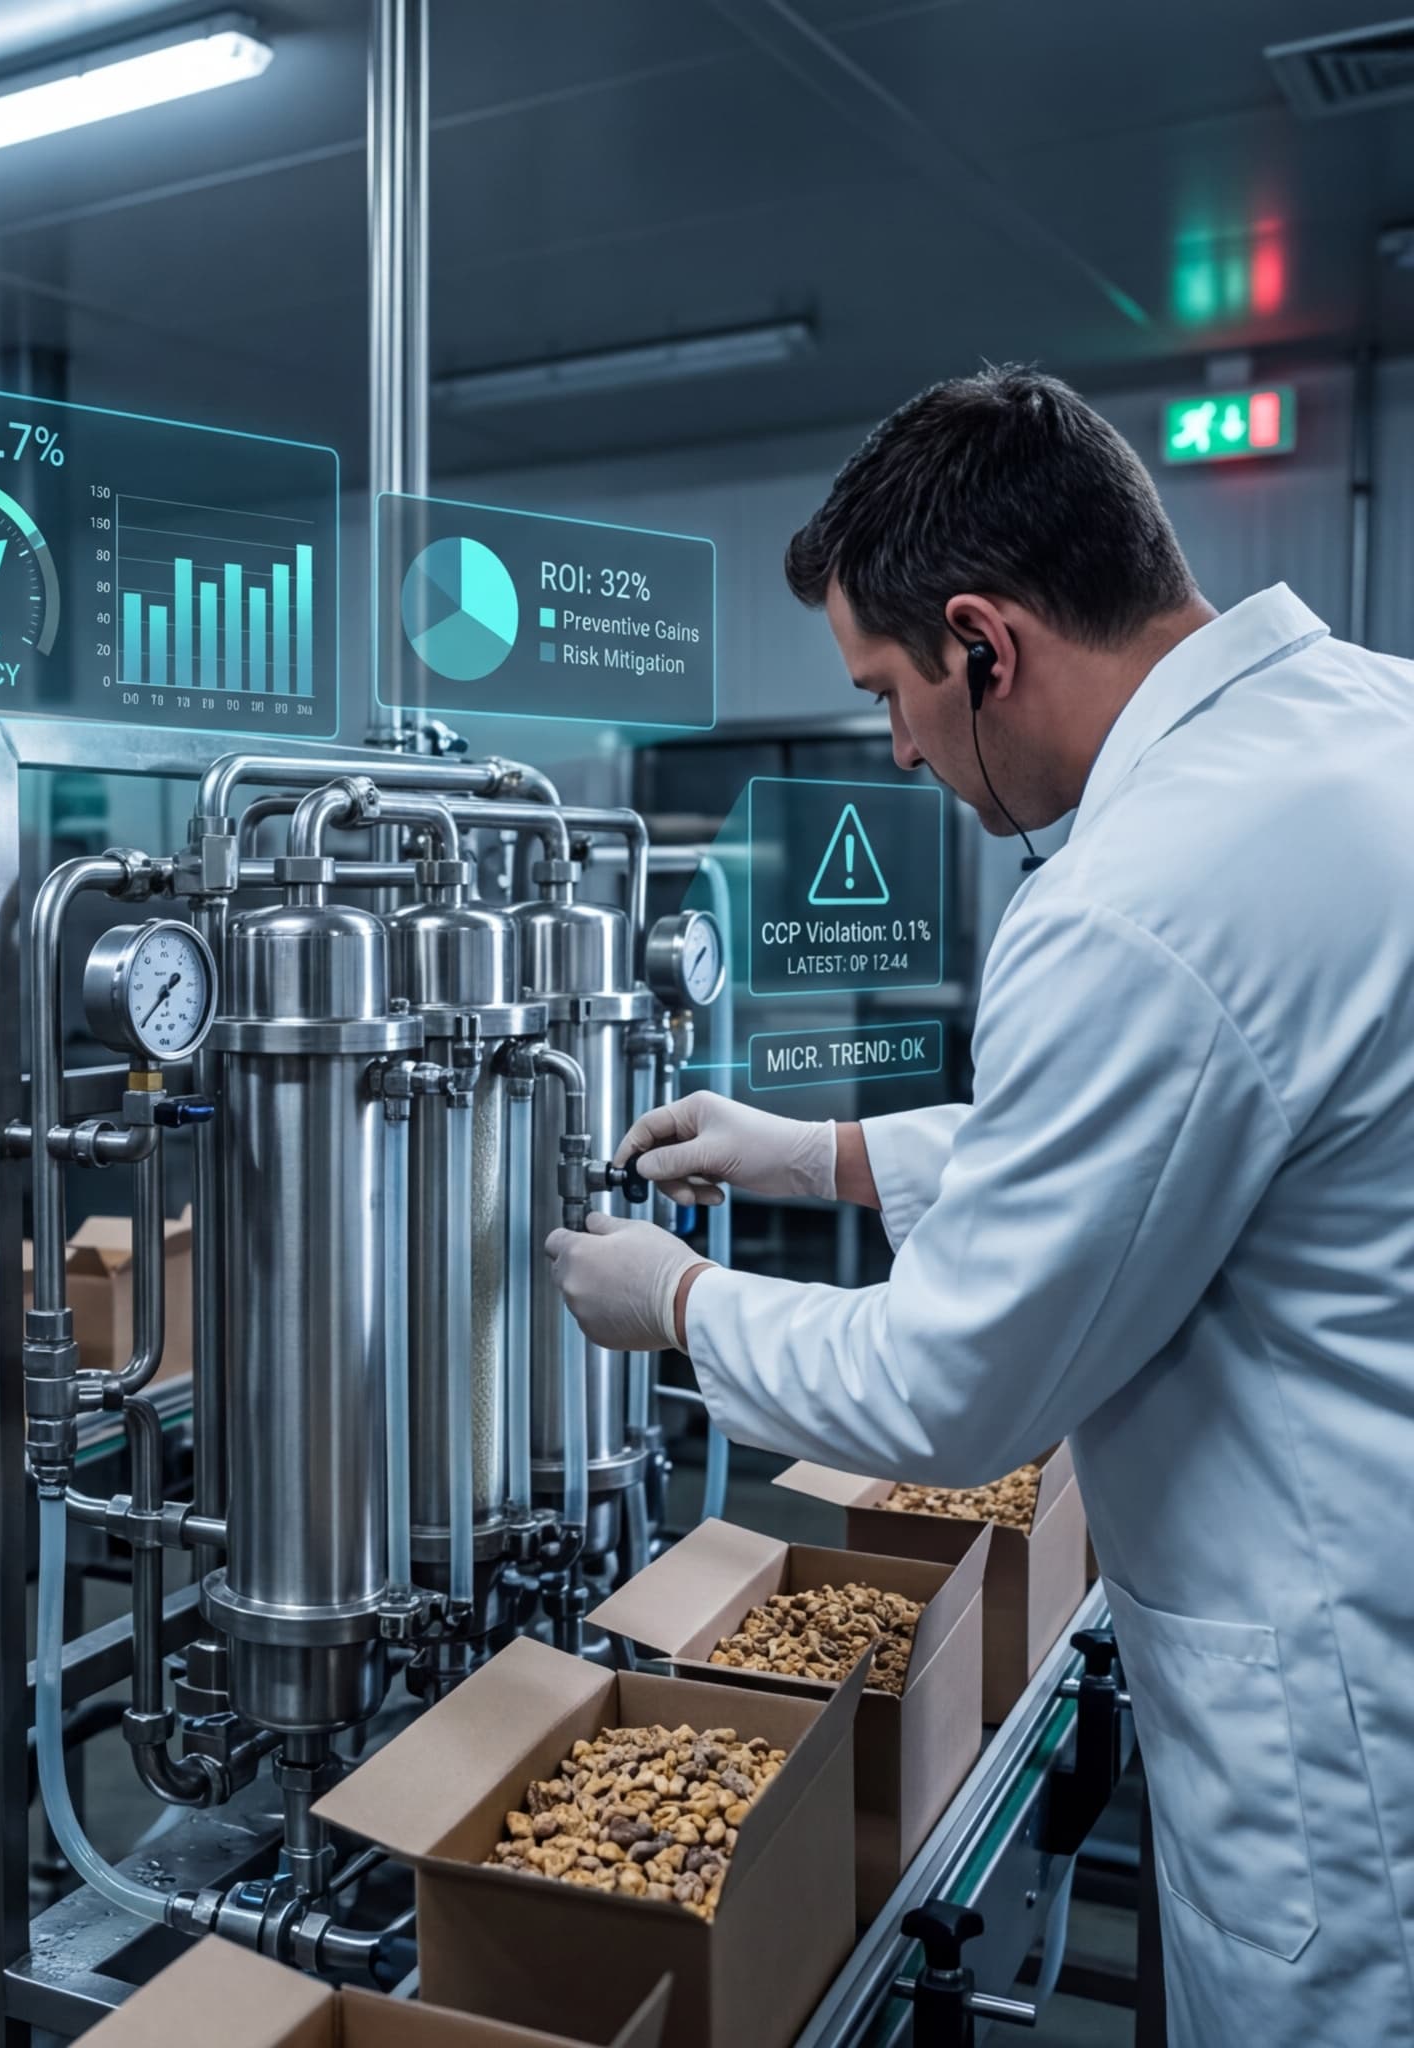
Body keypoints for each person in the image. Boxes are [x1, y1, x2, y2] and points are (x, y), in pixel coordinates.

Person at [546, 368, 1414, 2046]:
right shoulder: (1369, 722)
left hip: (1349, 1752)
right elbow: (1204, 1128)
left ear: (982, 646)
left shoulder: (1133, 900)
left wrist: (676, 1304)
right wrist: (825, 1156)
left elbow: (951, 1390)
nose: (898, 747)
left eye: (890, 694)